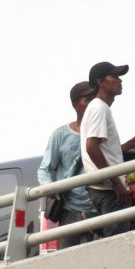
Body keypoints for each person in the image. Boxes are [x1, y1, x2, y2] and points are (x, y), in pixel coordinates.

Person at [80, 61, 135, 237]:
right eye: (114, 77)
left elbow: (103, 149)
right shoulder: (99, 108)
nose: (120, 80)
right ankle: (95, 222)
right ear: (100, 82)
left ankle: (95, 221)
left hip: (104, 188)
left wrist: (131, 144)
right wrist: (116, 183)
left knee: (133, 225)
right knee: (118, 243)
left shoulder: (98, 107)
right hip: (108, 190)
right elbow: (92, 148)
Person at [37, 81, 98, 248]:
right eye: (88, 99)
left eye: (95, 99)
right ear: (76, 104)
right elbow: (44, 169)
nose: (93, 104)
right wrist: (50, 188)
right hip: (71, 211)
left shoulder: (102, 132)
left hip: (99, 207)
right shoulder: (61, 135)